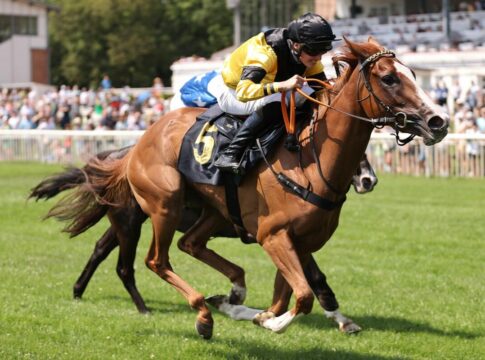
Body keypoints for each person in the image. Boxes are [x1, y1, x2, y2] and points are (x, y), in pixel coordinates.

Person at [212, 12, 339, 173]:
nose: (319, 58)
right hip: (232, 92)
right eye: (315, 51)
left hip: (263, 90)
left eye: (323, 51)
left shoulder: (306, 54)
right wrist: (281, 86)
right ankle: (231, 154)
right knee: (277, 100)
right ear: (296, 45)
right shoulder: (266, 53)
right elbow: (243, 91)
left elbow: (322, 88)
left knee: (312, 92)